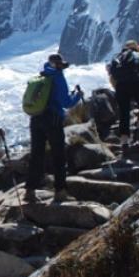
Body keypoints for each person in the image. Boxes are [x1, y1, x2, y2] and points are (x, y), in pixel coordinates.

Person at [25, 54, 83, 203]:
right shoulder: (58, 77)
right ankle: (60, 191)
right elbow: (66, 102)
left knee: (36, 154)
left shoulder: (41, 76)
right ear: (59, 65)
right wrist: (77, 96)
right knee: (58, 154)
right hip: (53, 119)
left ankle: (30, 191)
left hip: (36, 118)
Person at [107, 40, 139, 146]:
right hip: (136, 83)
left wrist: (117, 87)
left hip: (121, 86)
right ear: (136, 47)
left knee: (124, 113)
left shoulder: (118, 58)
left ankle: (124, 141)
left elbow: (112, 77)